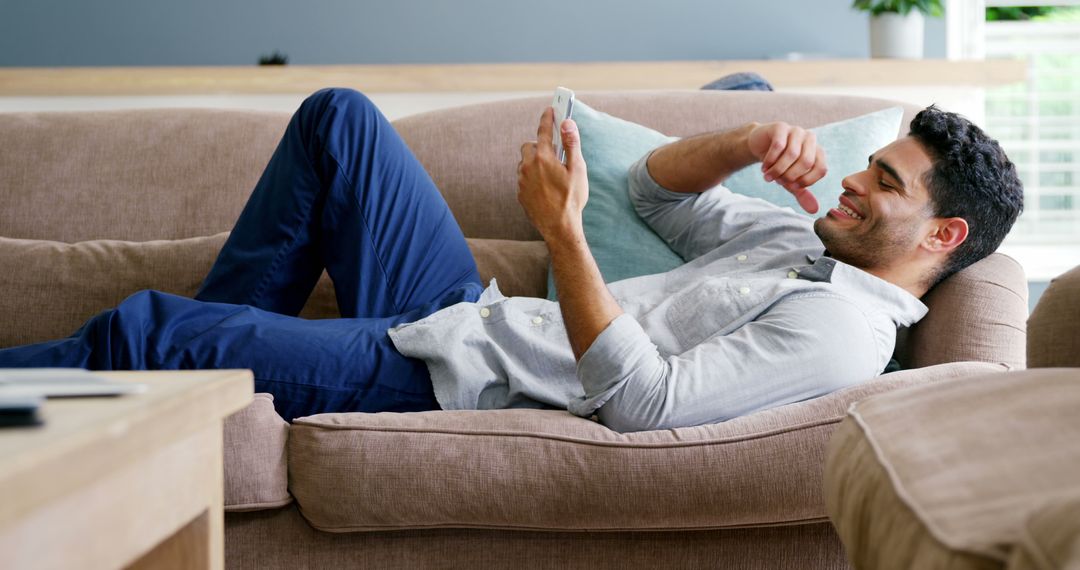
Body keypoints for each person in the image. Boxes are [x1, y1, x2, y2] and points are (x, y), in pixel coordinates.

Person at [0, 88, 1024, 432]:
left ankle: (179, 366)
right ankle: (197, 392)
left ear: (944, 239)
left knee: (154, 330)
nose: (853, 184)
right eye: (868, 167)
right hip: (476, 315)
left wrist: (563, 235)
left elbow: (644, 402)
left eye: (884, 184)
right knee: (340, 124)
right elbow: (652, 192)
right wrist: (750, 142)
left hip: (472, 380)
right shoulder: (796, 241)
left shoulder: (841, 331)